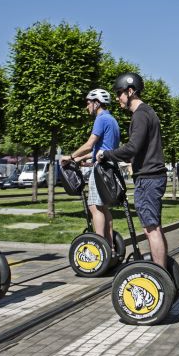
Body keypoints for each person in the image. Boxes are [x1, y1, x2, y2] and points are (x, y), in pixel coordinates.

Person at [98, 73, 169, 268]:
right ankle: (164, 273)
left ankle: (160, 277)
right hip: (153, 175)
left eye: (120, 93)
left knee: (150, 229)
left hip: (148, 178)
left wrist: (106, 154)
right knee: (155, 227)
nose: (118, 98)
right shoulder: (148, 112)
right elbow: (138, 150)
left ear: (130, 91)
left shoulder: (140, 115)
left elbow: (133, 147)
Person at [61, 88, 121, 249]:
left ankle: (99, 247)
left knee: (94, 207)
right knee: (103, 207)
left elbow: (89, 145)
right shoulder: (112, 120)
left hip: (101, 169)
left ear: (96, 103)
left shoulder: (101, 119)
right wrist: (81, 159)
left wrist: (71, 156)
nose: (87, 106)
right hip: (109, 167)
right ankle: (109, 246)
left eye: (88, 102)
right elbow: (102, 149)